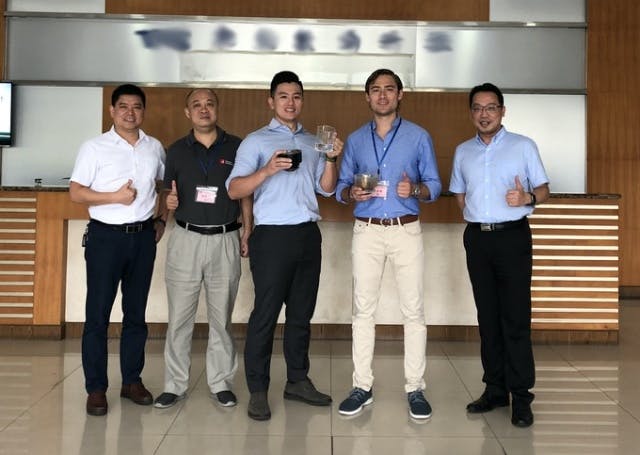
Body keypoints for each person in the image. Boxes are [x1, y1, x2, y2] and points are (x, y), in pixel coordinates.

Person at [226, 70, 342, 421]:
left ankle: (297, 381)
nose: (290, 103)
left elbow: (327, 189)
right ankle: (258, 389)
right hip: (272, 236)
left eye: (296, 96)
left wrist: (332, 158)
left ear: (302, 100)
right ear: (271, 101)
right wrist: (267, 170)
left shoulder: (314, 141)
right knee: (265, 314)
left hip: (307, 234)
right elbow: (234, 189)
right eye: (283, 96)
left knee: (301, 314)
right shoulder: (255, 142)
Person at [335, 68, 442, 420]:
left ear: (400, 95)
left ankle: (415, 388)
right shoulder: (355, 140)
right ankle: (361, 386)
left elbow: (434, 185)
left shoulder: (418, 137)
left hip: (405, 230)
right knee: (363, 311)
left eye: (389, 89)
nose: (383, 95)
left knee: (414, 312)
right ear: (367, 96)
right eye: (376, 90)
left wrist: (415, 189)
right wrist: (351, 192)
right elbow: (340, 189)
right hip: (367, 230)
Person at [449, 82, 550, 428]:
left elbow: (544, 189)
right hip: (478, 239)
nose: (484, 114)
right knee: (488, 318)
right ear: (471, 113)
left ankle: (520, 396)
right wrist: (478, 216)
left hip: (513, 238)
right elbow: (459, 194)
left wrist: (527, 199)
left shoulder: (523, 146)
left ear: (502, 111)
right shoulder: (463, 151)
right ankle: (494, 389)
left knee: (515, 318)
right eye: (477, 108)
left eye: (491, 108)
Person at [69, 84, 166, 416]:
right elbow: (76, 192)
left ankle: (131, 381)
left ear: (143, 111)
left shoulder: (154, 147)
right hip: (105, 239)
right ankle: (96, 388)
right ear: (112, 111)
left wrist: (161, 220)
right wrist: (114, 197)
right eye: (123, 106)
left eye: (136, 106)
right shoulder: (94, 147)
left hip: (143, 238)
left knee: (136, 315)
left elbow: (165, 186)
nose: (130, 112)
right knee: (97, 315)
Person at [153, 88, 253, 409]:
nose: (203, 109)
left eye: (209, 103)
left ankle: (220, 382)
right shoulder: (176, 151)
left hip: (225, 237)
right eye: (196, 105)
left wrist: (248, 229)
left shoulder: (237, 147)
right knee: (179, 318)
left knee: (221, 318)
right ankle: (174, 384)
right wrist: (166, 207)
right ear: (188, 112)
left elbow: (245, 193)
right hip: (186, 238)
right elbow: (167, 193)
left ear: (217, 109)